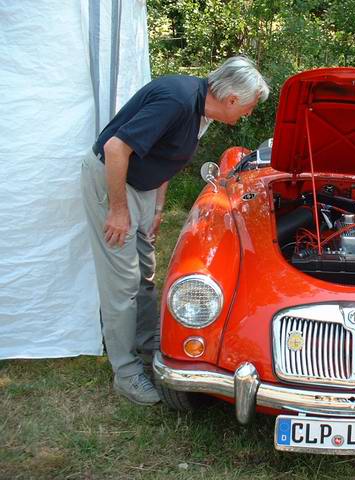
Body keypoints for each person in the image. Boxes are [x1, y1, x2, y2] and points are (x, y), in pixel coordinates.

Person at [81, 56, 269, 405]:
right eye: (247, 107)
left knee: (146, 272)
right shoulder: (177, 100)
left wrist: (156, 207)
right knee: (122, 282)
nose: (246, 114)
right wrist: (119, 210)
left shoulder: (202, 111)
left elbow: (168, 157)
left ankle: (149, 347)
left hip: (142, 188)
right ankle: (126, 372)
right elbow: (115, 148)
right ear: (231, 99)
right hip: (113, 183)